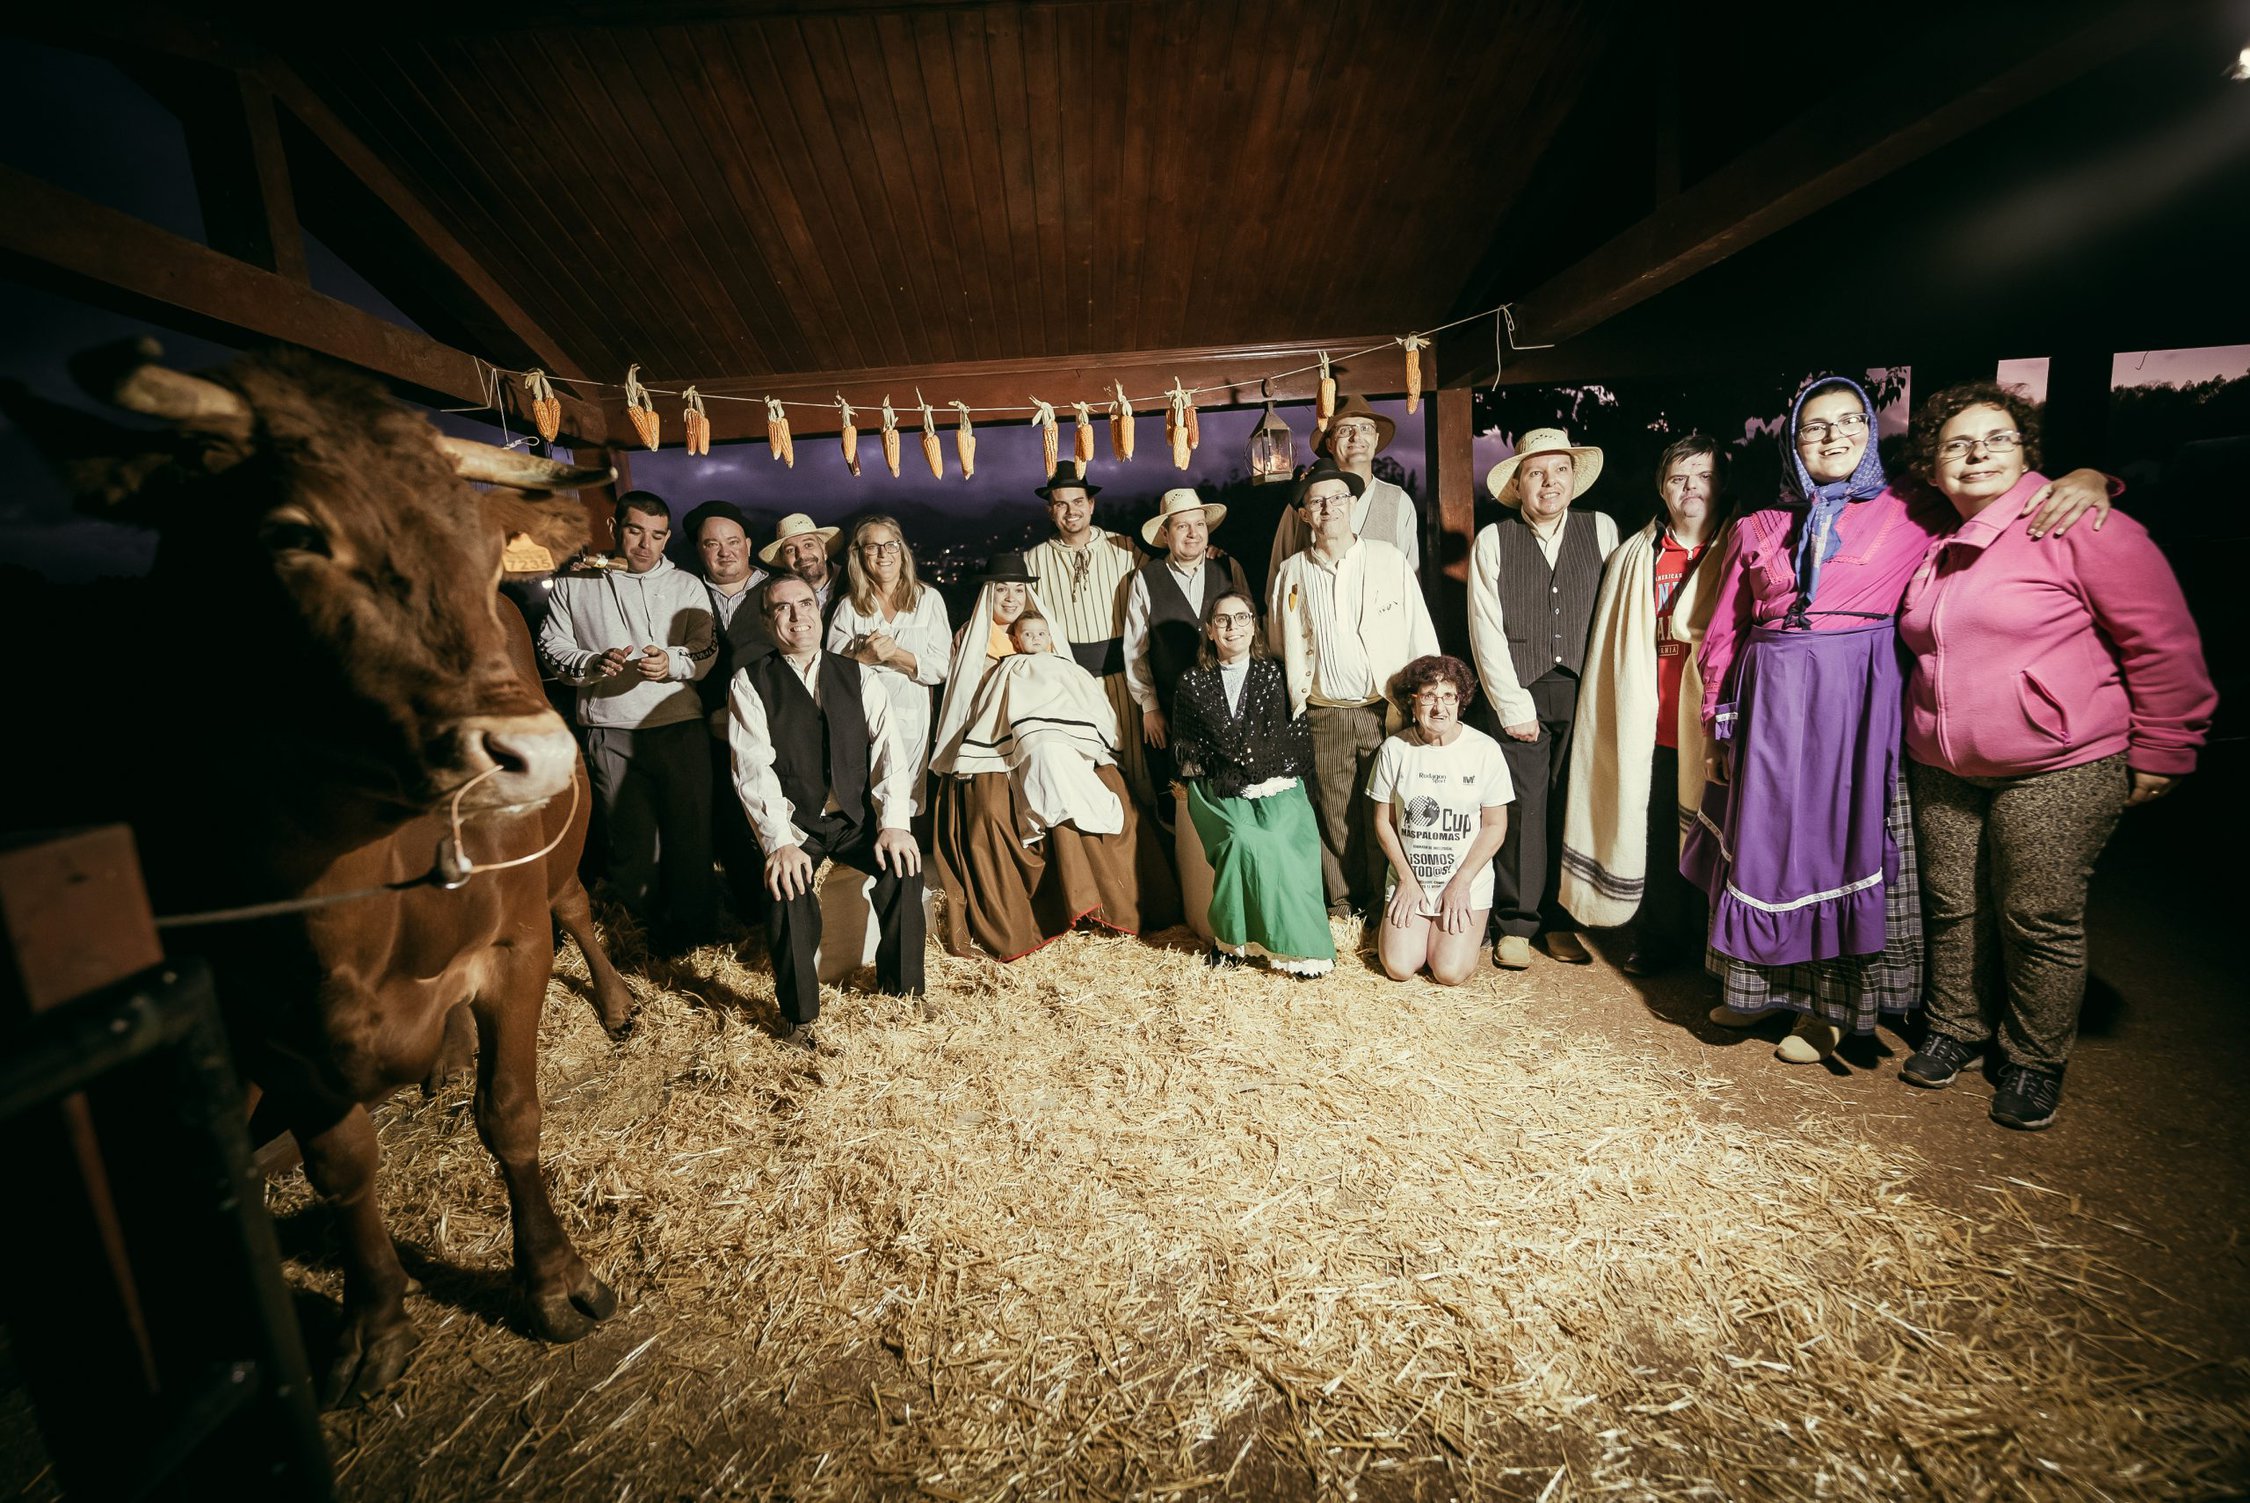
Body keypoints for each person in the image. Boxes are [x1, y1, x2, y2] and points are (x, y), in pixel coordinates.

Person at [1688, 375, 2114, 1065]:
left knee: (1836, 843)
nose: (1833, 437)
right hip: (1770, 705)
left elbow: (1999, 499)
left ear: (1869, 430)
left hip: (1855, 702)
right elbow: (1725, 631)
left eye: (1848, 421)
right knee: (1767, 845)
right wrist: (1719, 721)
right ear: (1794, 442)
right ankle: (1760, 986)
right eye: (1815, 427)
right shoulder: (1757, 525)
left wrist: (2090, 477)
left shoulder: (1915, 508)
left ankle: (1828, 1011)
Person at [1896, 382, 2214, 1129]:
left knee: (2036, 911)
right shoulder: (1937, 535)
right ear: (1934, 468)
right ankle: (1956, 1027)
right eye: (1957, 444)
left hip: (2059, 759)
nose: (1976, 454)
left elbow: (2160, 639)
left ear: (2027, 452)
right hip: (1945, 761)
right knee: (1953, 904)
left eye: (1996, 438)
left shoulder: (2080, 522)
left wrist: (2167, 746)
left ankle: (2034, 1058)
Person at [929, 554, 1178, 959]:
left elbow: (1069, 685)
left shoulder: (1042, 632)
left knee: (1103, 791)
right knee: (990, 814)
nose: (1010, 598)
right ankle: (1039, 912)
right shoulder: (971, 637)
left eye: (1017, 590)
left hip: (1054, 737)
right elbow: (964, 704)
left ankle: (1103, 903)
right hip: (995, 743)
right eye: (1001, 590)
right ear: (988, 596)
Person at [726, 575, 925, 1051]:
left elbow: (890, 754)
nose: (798, 616)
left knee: (904, 870)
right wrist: (780, 844)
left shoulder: (860, 675)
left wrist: (895, 823)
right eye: (782, 609)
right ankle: (799, 1017)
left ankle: (903, 992)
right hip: (796, 823)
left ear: (818, 608)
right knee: (786, 888)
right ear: (766, 620)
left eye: (805, 604)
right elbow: (752, 770)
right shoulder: (750, 682)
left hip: (853, 819)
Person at [1557, 434, 1728, 974]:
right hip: (1649, 718)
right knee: (1655, 836)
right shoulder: (1636, 554)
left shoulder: (1738, 547)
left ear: (1720, 483)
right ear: (1662, 487)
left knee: (1715, 837)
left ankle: (1717, 949)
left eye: (1703, 476)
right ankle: (1658, 940)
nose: (1691, 487)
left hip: (1710, 723)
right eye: (1679, 477)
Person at [536, 490, 717, 950]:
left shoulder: (686, 586)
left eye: (657, 536)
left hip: (677, 725)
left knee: (690, 838)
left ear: (667, 538)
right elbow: (552, 647)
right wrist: (592, 662)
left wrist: (673, 662)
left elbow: (707, 647)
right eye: (636, 531)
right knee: (632, 845)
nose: (645, 545)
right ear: (615, 529)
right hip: (609, 730)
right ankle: (640, 939)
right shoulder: (577, 582)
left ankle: (693, 940)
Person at [1468, 427, 1621, 970]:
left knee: (1574, 805)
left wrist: (1606, 696)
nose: (1549, 482)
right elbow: (1484, 629)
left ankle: (1564, 923)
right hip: (1520, 690)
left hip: (1584, 688)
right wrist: (1512, 706)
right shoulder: (1493, 539)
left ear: (1573, 479)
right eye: (1536, 472)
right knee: (1524, 809)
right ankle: (1517, 924)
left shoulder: (1601, 530)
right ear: (1519, 484)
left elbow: (1612, 619)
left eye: (1559, 470)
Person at [1269, 459, 1440, 916]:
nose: (1329, 507)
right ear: (1304, 513)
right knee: (1333, 811)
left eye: (1338, 498)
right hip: (1323, 711)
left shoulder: (1388, 559)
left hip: (1381, 710)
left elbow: (1420, 638)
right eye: (1317, 500)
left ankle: (1384, 901)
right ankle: (1342, 903)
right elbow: (1278, 644)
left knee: (1384, 810)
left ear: (1353, 502)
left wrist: (1428, 703)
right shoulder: (1291, 573)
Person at [1169, 590, 1335, 977]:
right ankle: (1233, 942)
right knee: (1241, 839)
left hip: (1277, 783)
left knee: (1276, 840)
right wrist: (1208, 780)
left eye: (1241, 618)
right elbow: (1188, 747)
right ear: (1210, 630)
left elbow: (1293, 740)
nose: (1232, 627)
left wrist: (1261, 774)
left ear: (1253, 625)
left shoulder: (1275, 673)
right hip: (1219, 790)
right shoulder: (1193, 682)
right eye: (1223, 620)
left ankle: (1297, 948)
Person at [1123, 487, 1252, 939]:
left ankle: (1229, 900)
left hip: (1228, 714)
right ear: (1166, 534)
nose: (1193, 533)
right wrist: (1150, 707)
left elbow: (1249, 634)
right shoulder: (1148, 579)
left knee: (1228, 798)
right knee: (1176, 802)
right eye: (1182, 525)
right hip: (1173, 715)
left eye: (1199, 524)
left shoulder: (1226, 569)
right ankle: (1189, 905)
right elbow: (1136, 653)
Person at [1367, 656, 1514, 987]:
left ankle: (1468, 929)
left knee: (1448, 972)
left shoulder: (1484, 750)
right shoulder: (1395, 749)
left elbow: (1495, 826)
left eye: (1448, 696)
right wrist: (1406, 879)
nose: (1439, 707)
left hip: (1462, 882)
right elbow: (1383, 822)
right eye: (1429, 696)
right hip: (1412, 880)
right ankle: (1414, 928)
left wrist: (1461, 883)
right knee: (1399, 967)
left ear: (1460, 701)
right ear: (1412, 701)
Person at [1024, 460, 1150, 803]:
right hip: (1070, 685)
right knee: (1087, 776)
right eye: (1061, 504)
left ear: (1091, 505)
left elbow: (1162, 586)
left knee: (1138, 772)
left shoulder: (1126, 548)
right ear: (1051, 511)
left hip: (1125, 679)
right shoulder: (1033, 560)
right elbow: (1010, 611)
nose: (1070, 511)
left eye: (1078, 501)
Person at [685, 500, 774, 926]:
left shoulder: (776, 591)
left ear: (749, 544)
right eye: (712, 544)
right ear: (699, 551)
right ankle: (749, 916)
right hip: (704, 729)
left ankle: (784, 908)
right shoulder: (685, 593)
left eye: (733, 542)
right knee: (724, 819)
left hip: (768, 729)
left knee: (771, 813)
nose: (725, 552)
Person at [826, 515, 951, 814]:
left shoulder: (928, 599)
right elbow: (830, 673)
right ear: (859, 555)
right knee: (862, 797)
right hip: (860, 717)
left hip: (910, 715)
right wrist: (864, 658)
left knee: (901, 802)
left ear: (902, 550)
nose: (883, 554)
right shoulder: (848, 607)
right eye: (872, 547)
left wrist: (895, 654)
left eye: (890, 545)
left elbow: (941, 668)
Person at [1267, 394, 1423, 580]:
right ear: (1330, 444)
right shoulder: (1305, 500)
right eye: (1344, 430)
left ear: (1376, 439)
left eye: (1365, 428)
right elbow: (1278, 578)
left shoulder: (1398, 501)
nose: (1356, 436)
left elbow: (1411, 579)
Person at [757, 512, 843, 621]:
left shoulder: (853, 581)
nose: (801, 555)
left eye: (808, 545)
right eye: (790, 550)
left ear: (824, 550)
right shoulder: (779, 597)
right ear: (783, 561)